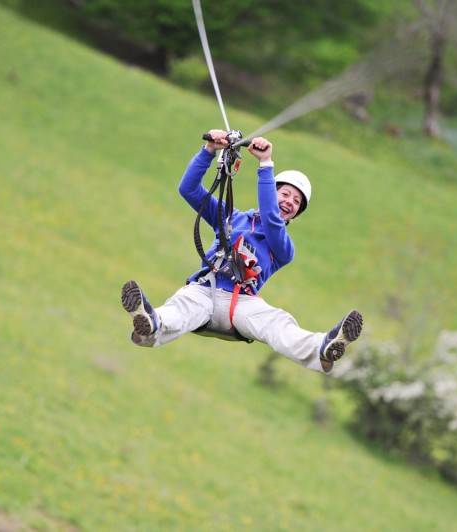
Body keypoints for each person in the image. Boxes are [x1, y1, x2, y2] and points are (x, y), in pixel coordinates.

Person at [121, 129, 362, 374]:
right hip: (207, 290)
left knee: (277, 323)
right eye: (285, 194)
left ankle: (321, 349)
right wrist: (209, 151)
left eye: (296, 202)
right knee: (182, 308)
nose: (290, 201)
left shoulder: (284, 247)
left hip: (244, 303)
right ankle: (150, 325)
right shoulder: (230, 217)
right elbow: (189, 189)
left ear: (296, 215)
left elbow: (270, 217)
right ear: (273, 192)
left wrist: (266, 164)